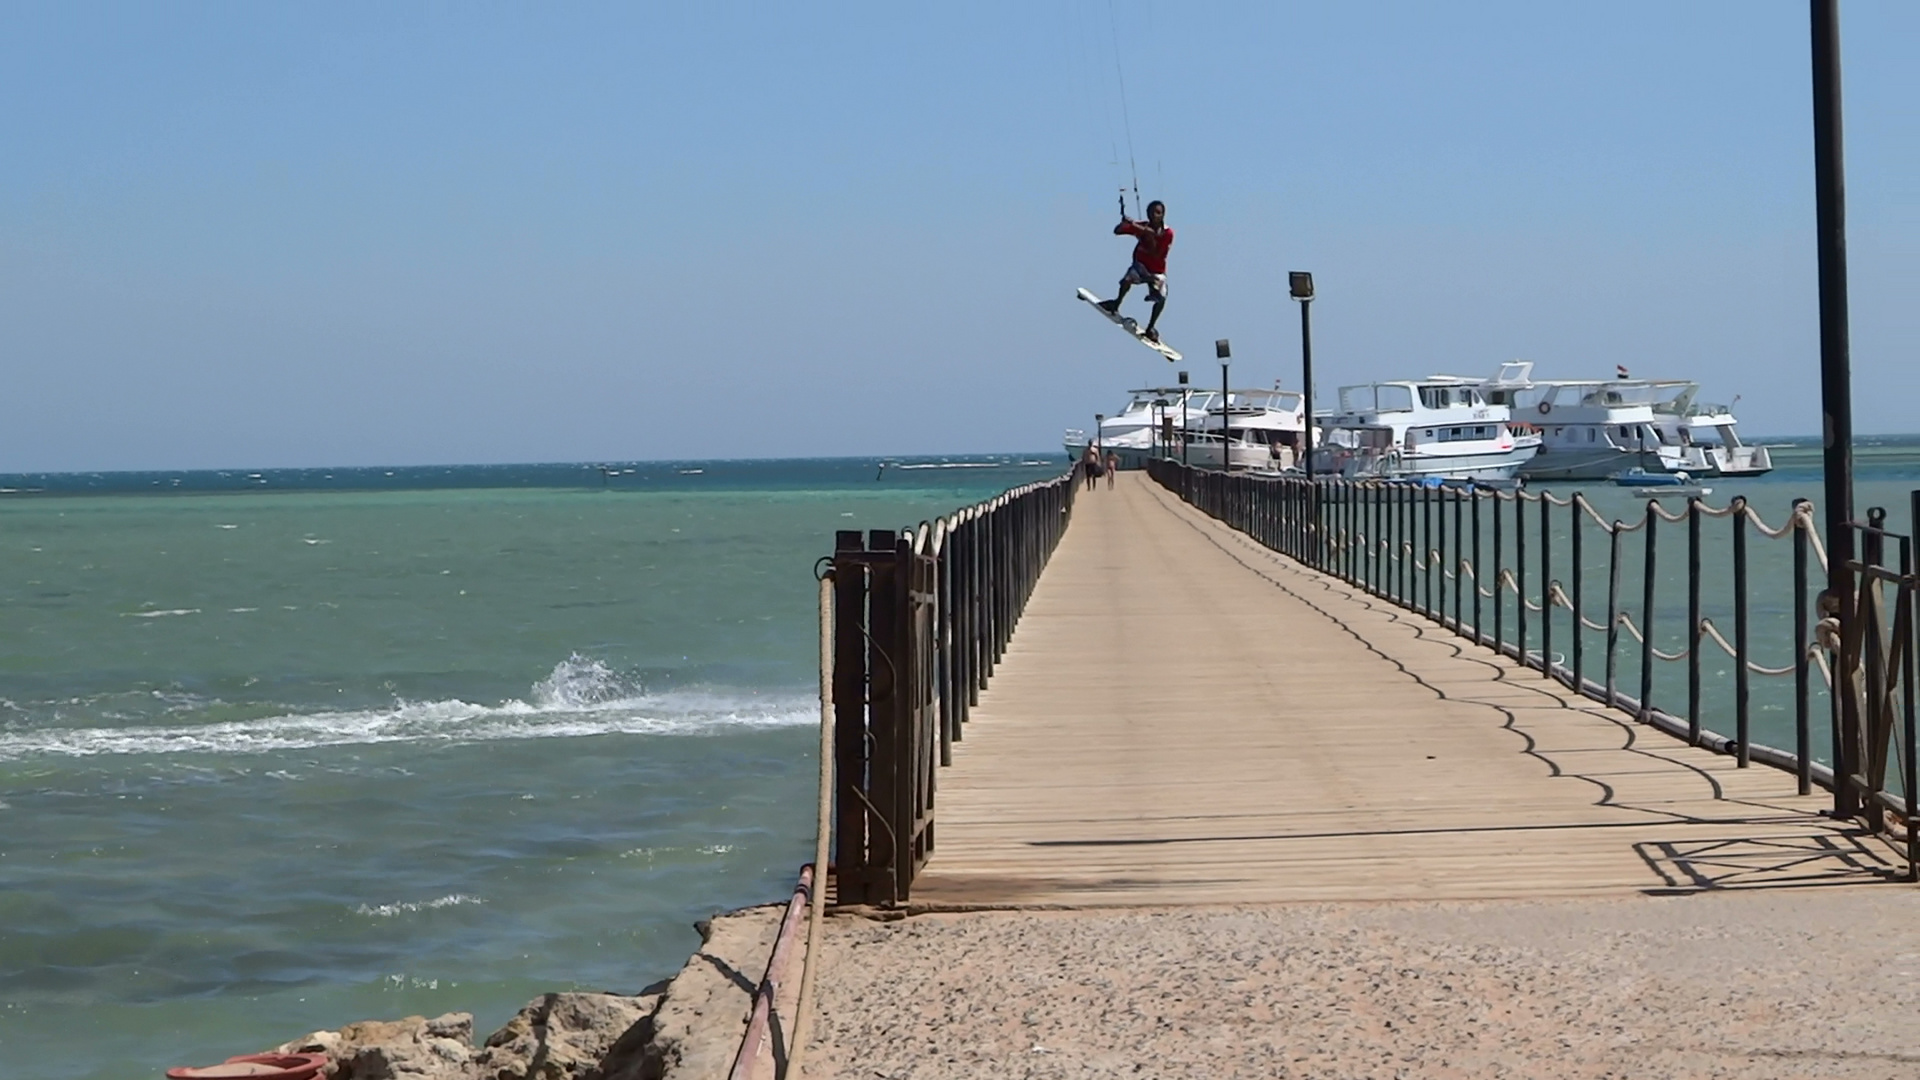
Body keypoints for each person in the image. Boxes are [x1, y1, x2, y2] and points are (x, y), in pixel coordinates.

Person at [1098, 200, 1173, 343]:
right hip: (1141, 267)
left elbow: (1156, 252)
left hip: (1156, 272)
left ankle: (1150, 327)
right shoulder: (1142, 226)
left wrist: (1138, 227)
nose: (1154, 215)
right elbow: (1118, 231)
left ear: (1163, 215)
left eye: (1157, 213)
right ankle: (1116, 304)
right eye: (1151, 212)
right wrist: (1124, 224)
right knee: (1127, 280)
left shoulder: (1168, 233)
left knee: (1161, 297)